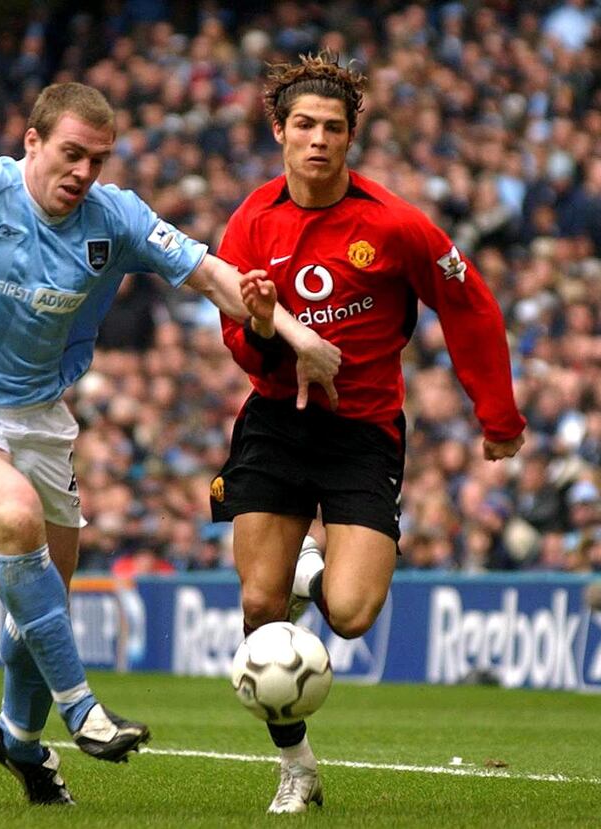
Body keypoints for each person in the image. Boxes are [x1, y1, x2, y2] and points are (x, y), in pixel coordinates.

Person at [0, 81, 340, 807]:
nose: (83, 172)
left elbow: (212, 275)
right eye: (71, 153)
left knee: (41, 601)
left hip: (41, 419)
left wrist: (295, 336)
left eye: (97, 159)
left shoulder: (114, 217)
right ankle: (82, 710)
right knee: (15, 519)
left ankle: (17, 737)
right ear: (33, 142)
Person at [210, 53, 526, 814]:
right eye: (305, 126)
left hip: (364, 430)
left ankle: (312, 567)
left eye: (334, 128)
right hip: (276, 424)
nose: (319, 140)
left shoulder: (395, 224)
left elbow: (470, 305)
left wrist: (498, 415)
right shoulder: (251, 221)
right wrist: (258, 330)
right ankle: (297, 766)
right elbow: (236, 336)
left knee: (349, 615)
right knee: (259, 608)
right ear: (279, 132)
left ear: (353, 136)